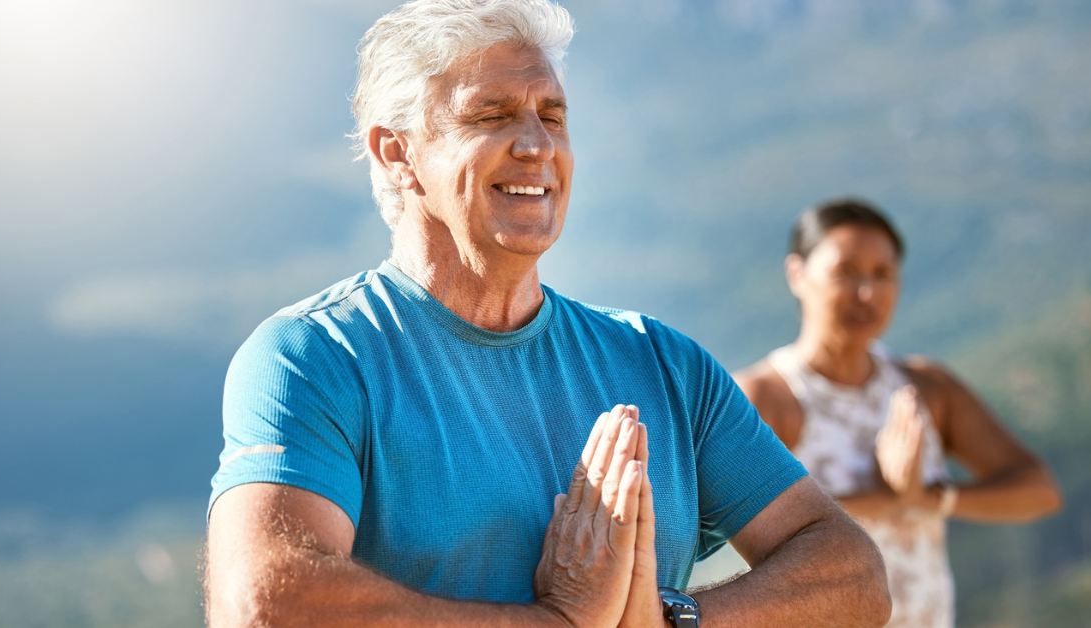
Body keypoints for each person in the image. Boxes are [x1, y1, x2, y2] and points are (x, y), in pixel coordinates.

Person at [204, 2, 892, 627]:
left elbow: (853, 576)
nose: (537, 145)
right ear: (398, 152)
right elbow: (266, 602)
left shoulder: (662, 363)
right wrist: (558, 624)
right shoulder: (315, 356)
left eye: (553, 115)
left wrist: (668, 621)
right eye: (492, 114)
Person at [734, 198, 1063, 628]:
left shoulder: (929, 388)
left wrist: (932, 497)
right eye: (846, 272)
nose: (866, 293)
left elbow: (1039, 490)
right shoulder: (764, 396)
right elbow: (739, 532)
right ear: (797, 274)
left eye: (882, 274)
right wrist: (892, 499)